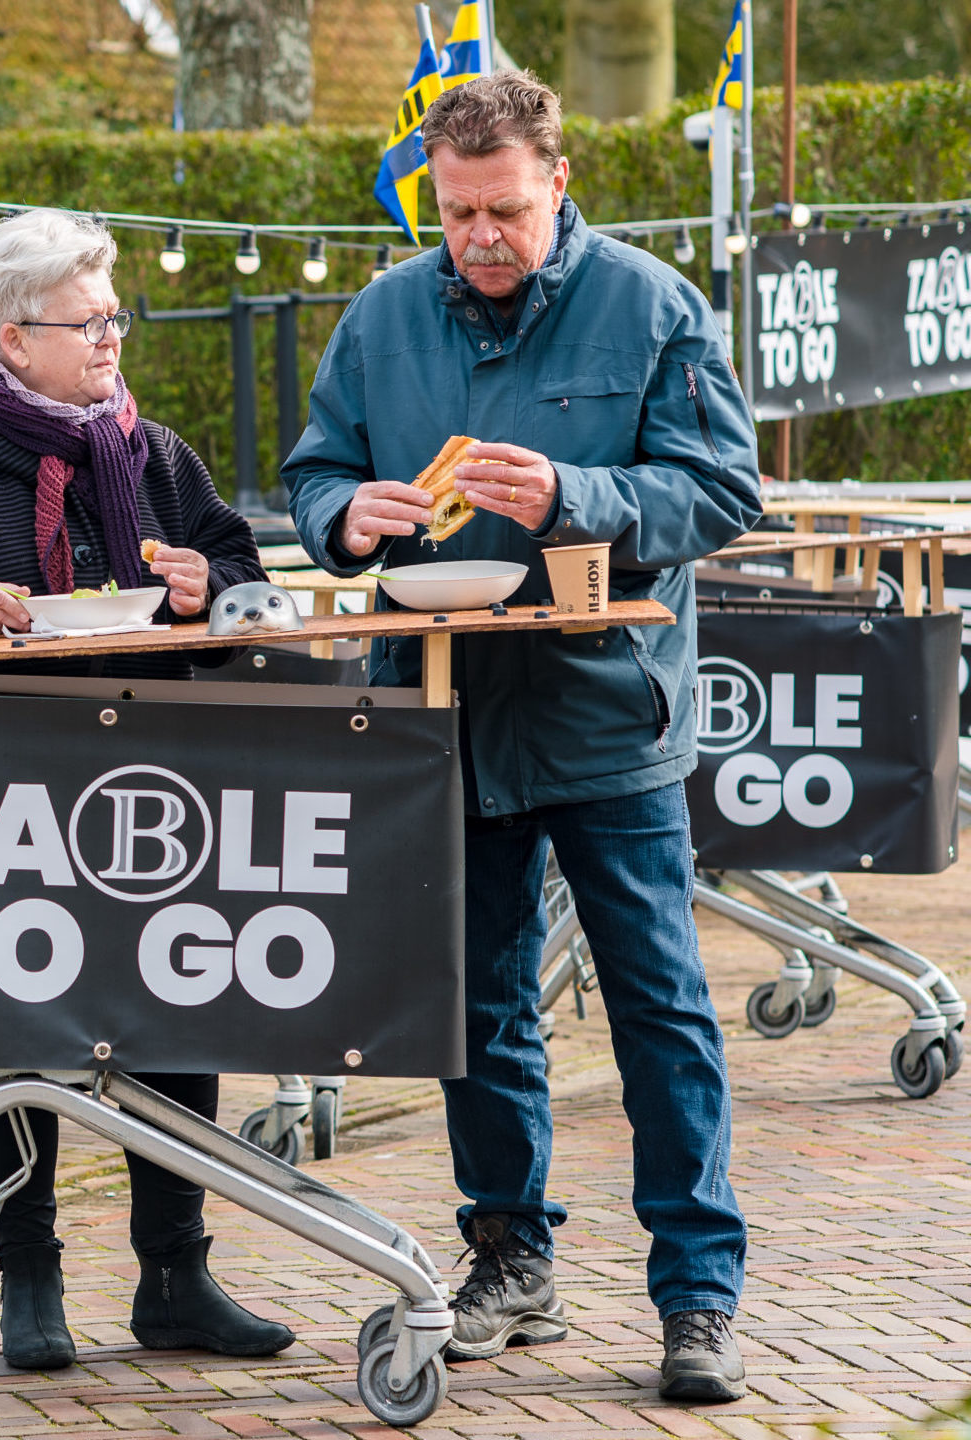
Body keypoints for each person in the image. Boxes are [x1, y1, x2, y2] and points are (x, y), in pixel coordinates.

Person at [281, 71, 763, 1403]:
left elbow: (723, 489)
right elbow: (315, 469)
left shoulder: (651, 305)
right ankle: (508, 1256)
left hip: (605, 711)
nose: (480, 238)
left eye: (503, 210)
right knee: (478, 1001)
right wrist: (344, 520)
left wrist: (574, 495)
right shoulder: (381, 316)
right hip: (441, 710)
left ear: (558, 180)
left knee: (658, 1003)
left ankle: (698, 1295)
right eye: (456, 214)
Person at [0, 208, 282, 1371]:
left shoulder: (151, 450)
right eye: (86, 324)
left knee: (179, 1001)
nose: (110, 340)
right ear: (12, 338)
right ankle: (26, 1276)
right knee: (11, 1020)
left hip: (150, 781)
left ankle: (174, 1274)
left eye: (114, 317)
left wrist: (205, 582)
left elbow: (243, 574)